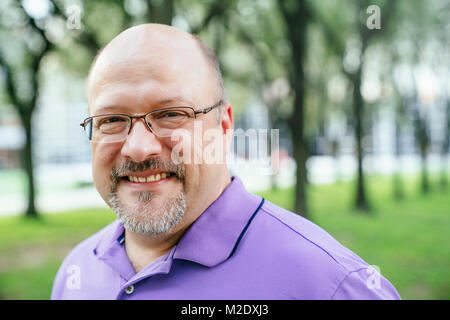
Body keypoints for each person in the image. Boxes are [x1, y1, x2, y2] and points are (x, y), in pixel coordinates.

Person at [51, 24, 401, 300]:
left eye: (172, 113)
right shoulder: (76, 272)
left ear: (224, 125)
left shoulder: (332, 286)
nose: (139, 149)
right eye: (111, 120)